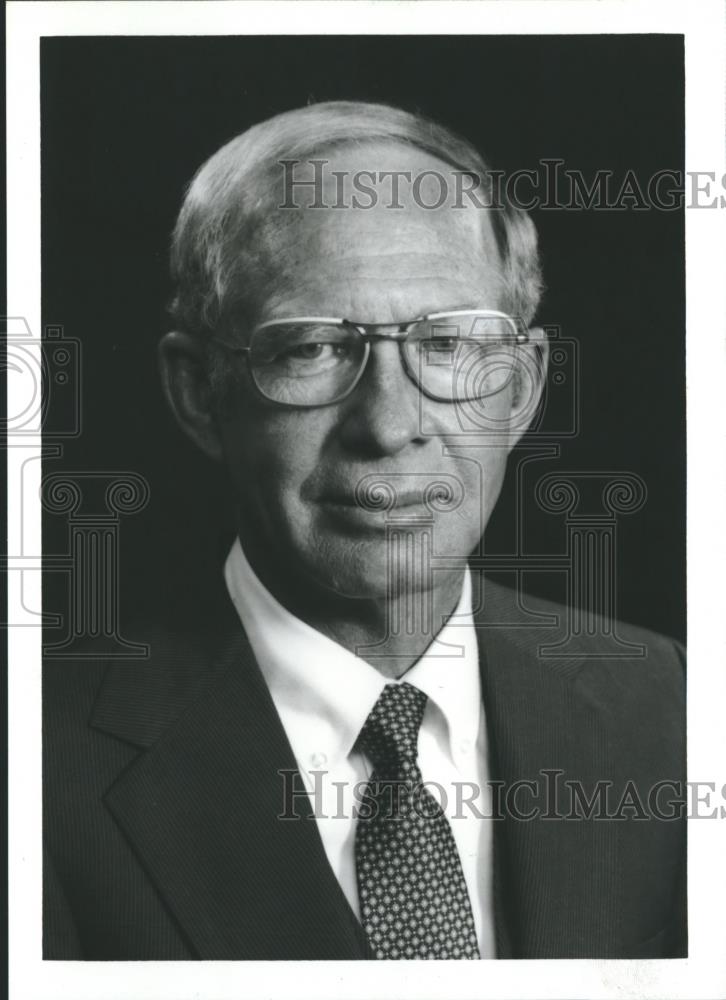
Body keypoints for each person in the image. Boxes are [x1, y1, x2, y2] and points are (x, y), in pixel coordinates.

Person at [43, 101, 686, 960]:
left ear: (524, 389)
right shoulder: (40, 767)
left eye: (451, 344)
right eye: (311, 348)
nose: (388, 424)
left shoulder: (671, 706)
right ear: (199, 393)